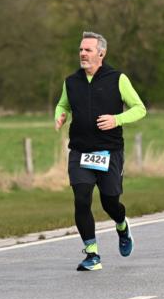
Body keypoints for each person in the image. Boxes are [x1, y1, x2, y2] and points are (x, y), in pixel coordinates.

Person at [55, 31, 147, 271]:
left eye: (88, 50)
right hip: (80, 151)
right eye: (81, 50)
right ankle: (92, 254)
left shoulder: (118, 79)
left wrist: (117, 119)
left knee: (110, 202)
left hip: (109, 152)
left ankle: (122, 225)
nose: (82, 54)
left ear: (101, 54)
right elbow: (63, 104)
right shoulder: (71, 81)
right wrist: (60, 115)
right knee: (81, 199)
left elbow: (140, 108)